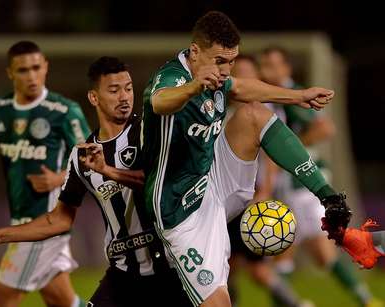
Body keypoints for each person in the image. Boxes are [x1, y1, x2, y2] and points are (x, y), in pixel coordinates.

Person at [141, 11, 351, 307]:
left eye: (231, 61)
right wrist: (192, 87)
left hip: (213, 180)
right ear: (195, 51)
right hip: (180, 210)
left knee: (253, 114)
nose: (226, 70)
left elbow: (240, 87)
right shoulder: (172, 77)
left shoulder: (217, 77)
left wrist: (299, 95)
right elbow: (160, 102)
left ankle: (327, 196)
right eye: (219, 61)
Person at [0, 56, 191, 307]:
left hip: (170, 268)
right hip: (123, 272)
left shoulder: (149, 131)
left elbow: (158, 184)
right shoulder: (81, 155)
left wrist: (107, 170)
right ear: (94, 98)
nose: (124, 97)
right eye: (114, 90)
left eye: (128, 88)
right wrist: (1, 235)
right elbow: (59, 219)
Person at [0, 41, 90, 307]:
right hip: (22, 217)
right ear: (10, 73)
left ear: (45, 68)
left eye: (36, 68)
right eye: (22, 70)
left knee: (3, 298)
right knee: (61, 300)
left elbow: (91, 163)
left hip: (44, 222)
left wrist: (58, 179)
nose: (31, 76)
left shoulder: (64, 111)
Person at [259, 46, 382, 307]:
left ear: (286, 68)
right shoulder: (268, 98)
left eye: (273, 65)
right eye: (264, 65)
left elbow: (324, 128)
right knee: (288, 252)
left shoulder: (295, 97)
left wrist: (287, 150)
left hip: (302, 186)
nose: (268, 71)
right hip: (284, 185)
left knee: (292, 250)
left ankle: (363, 297)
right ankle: (360, 298)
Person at [226, 54, 311, 307]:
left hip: (250, 199)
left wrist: (265, 190)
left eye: (246, 72)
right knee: (224, 267)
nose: (241, 77)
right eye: (236, 72)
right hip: (224, 199)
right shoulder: (220, 108)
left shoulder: (263, 110)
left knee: (256, 269)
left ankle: (295, 304)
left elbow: (271, 156)